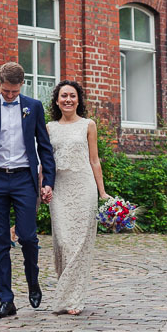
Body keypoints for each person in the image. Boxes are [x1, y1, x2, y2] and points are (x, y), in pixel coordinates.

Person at [0, 62, 57, 319]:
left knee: (28, 237)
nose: (10, 95)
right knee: (0, 243)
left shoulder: (34, 107)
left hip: (23, 180)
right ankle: (6, 300)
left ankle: (33, 281)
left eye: (14, 92)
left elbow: (44, 146)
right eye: (6, 91)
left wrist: (47, 180)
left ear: (22, 86)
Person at [45, 80, 108, 315]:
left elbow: (94, 160)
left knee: (80, 245)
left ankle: (73, 299)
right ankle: (66, 292)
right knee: (62, 242)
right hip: (60, 189)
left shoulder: (88, 125)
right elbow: (46, 161)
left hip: (84, 187)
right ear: (57, 100)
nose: (68, 100)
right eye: (63, 96)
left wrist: (102, 192)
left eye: (72, 95)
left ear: (78, 100)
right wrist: (44, 186)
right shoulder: (50, 127)